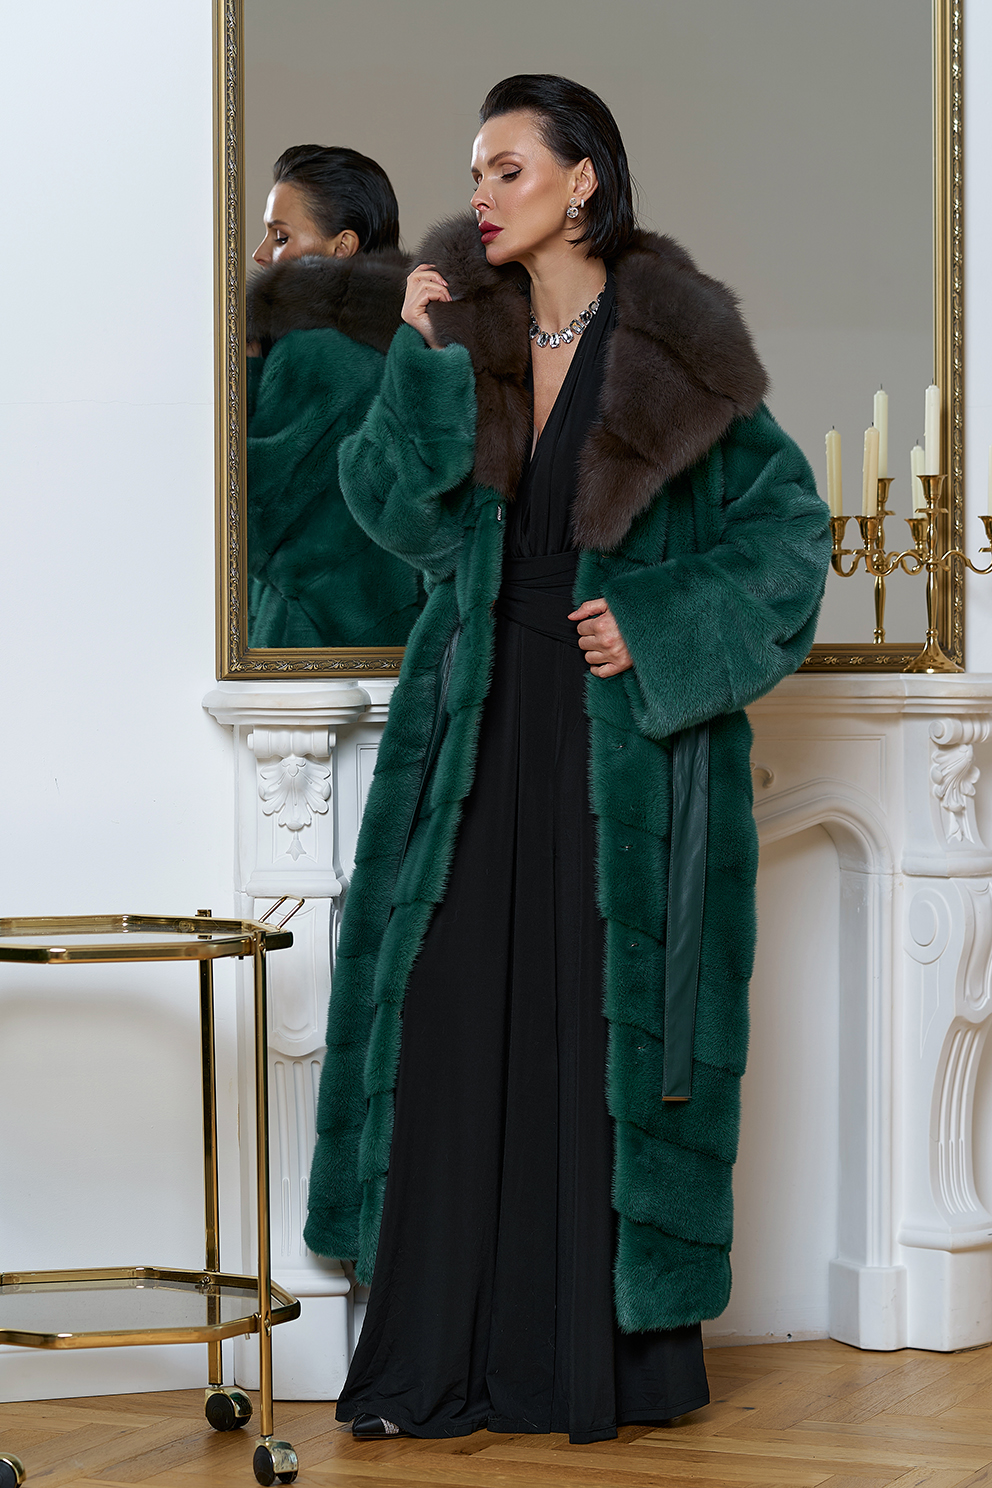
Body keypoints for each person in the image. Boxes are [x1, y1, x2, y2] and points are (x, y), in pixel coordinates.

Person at [304, 75, 831, 1444]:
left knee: (592, 1031)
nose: (480, 195)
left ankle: (590, 1365)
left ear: (582, 178)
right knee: (449, 1017)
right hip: (474, 719)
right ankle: (435, 1360)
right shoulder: (463, 337)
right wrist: (418, 368)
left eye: (509, 168)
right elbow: (396, 522)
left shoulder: (677, 354)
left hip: (616, 740)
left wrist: (658, 622)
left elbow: (788, 540)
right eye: (475, 171)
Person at [245, 144, 425, 649]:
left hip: (311, 638)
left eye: (281, 236)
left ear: (342, 246)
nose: (261, 254)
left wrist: (250, 365)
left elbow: (243, 519)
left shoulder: (312, 353)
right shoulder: (414, 342)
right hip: (395, 631)